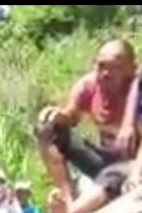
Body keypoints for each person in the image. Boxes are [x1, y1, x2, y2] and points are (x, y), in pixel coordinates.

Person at [36, 40, 138, 204]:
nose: (105, 74)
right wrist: (57, 115)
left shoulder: (137, 93)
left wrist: (136, 173)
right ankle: (67, 197)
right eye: (101, 66)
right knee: (48, 130)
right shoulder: (88, 86)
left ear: (131, 70)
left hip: (134, 165)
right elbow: (71, 117)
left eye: (115, 68)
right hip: (105, 162)